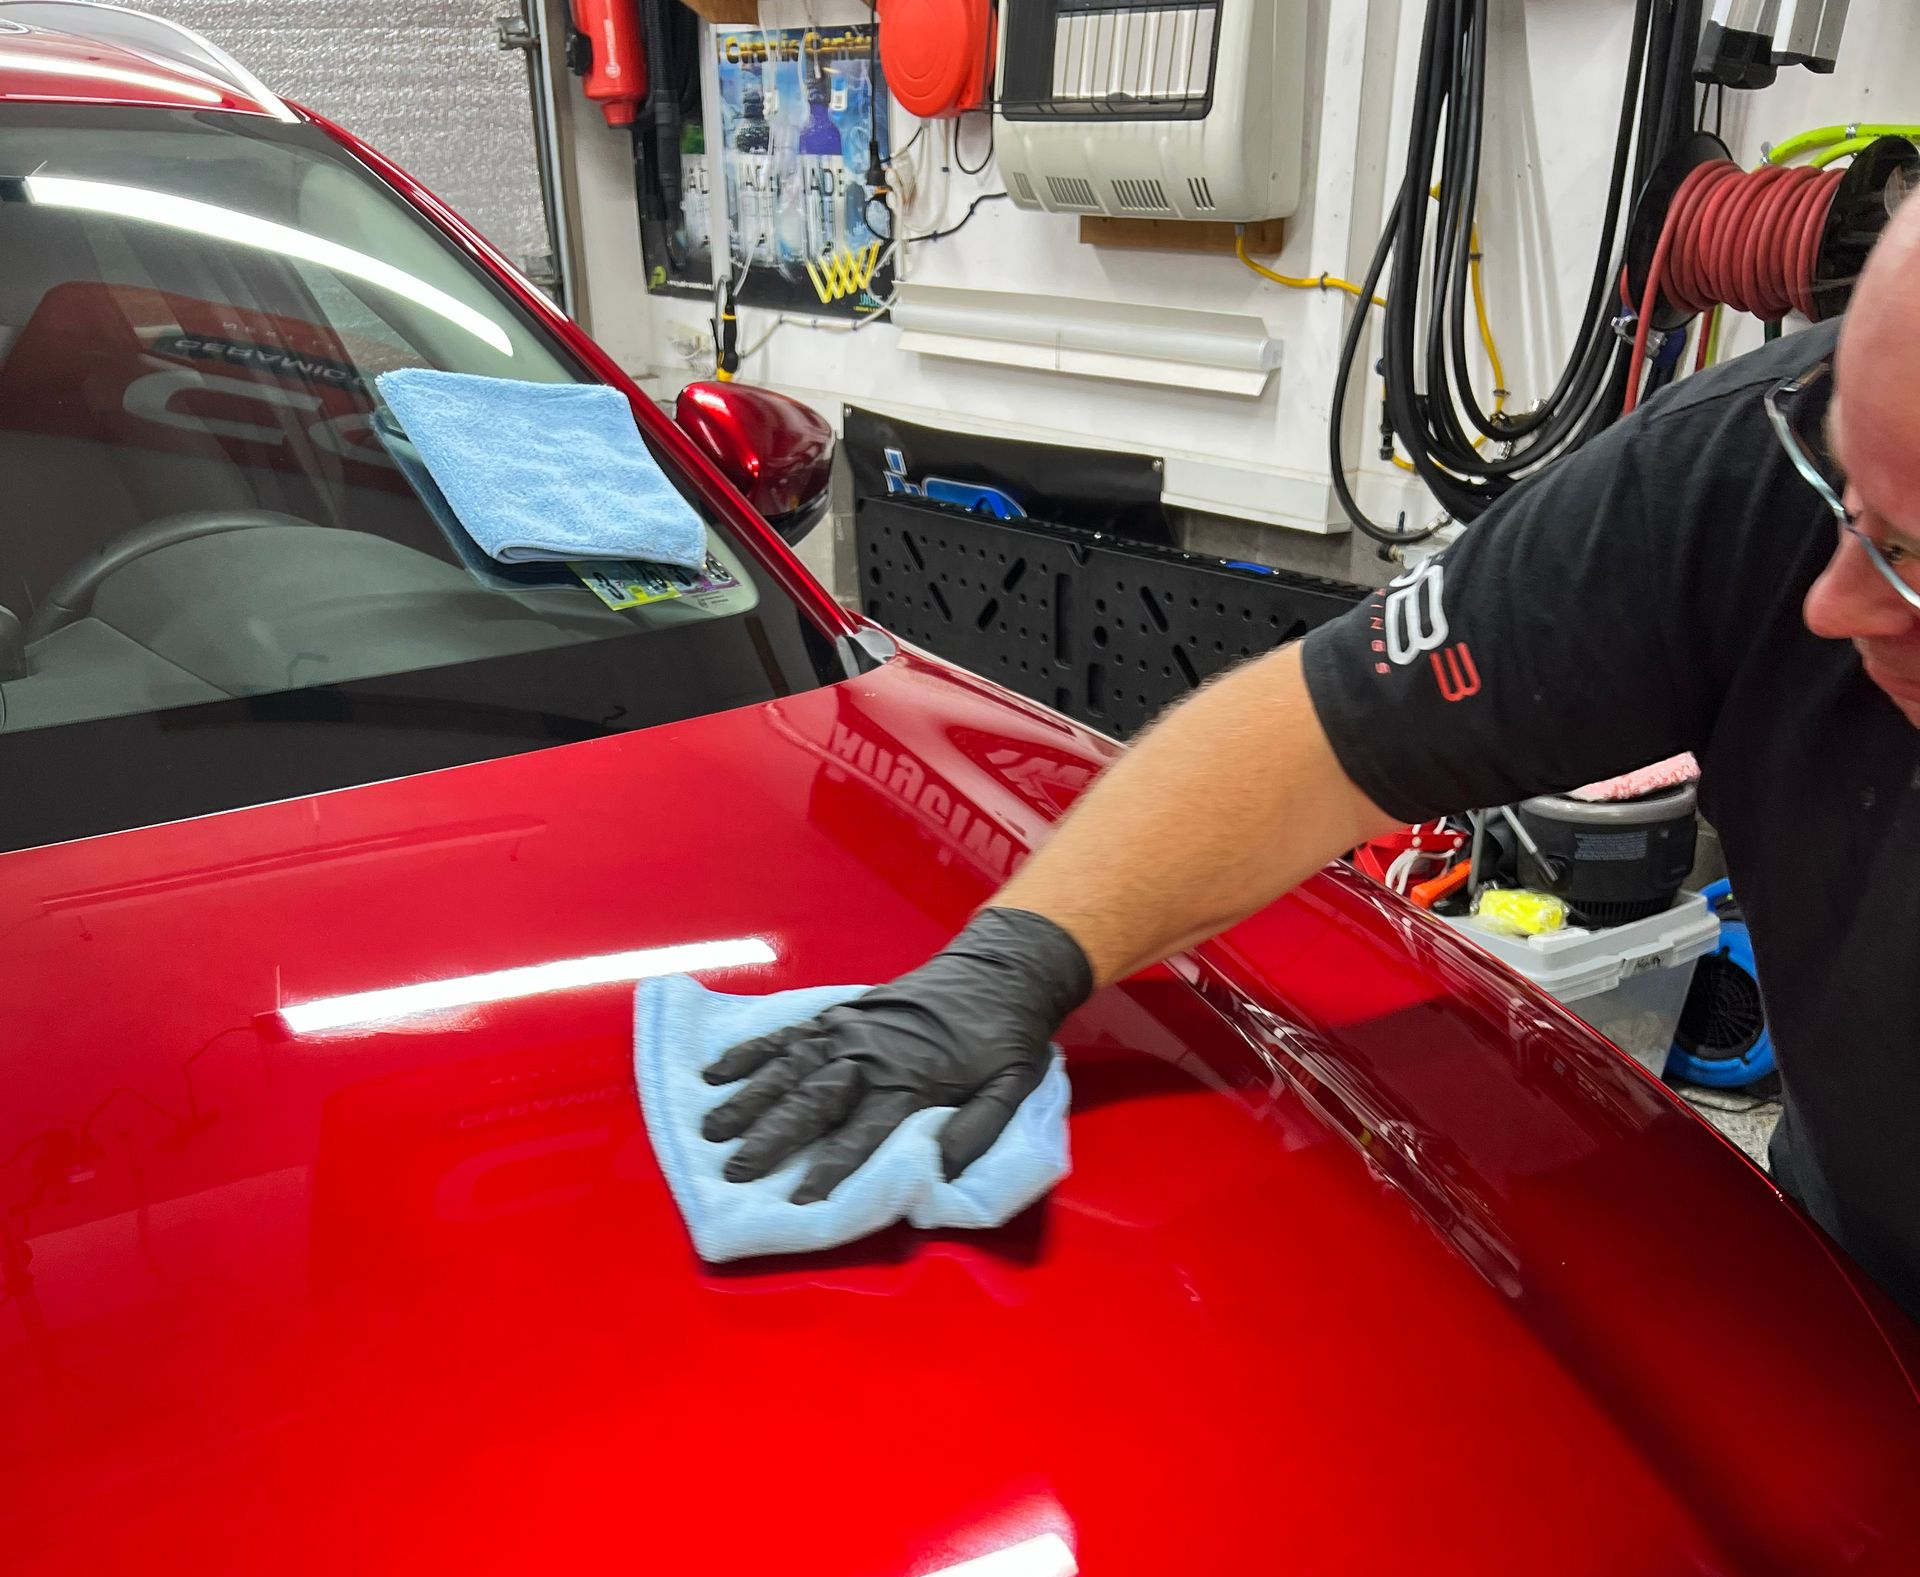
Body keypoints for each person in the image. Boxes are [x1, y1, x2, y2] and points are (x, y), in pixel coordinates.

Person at [702, 189, 1920, 1318]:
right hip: (1857, 1284)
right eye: (1842, 493)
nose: (1830, 600)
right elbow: (1315, 732)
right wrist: (1020, 956)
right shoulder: (1749, 476)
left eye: (1912, 559)